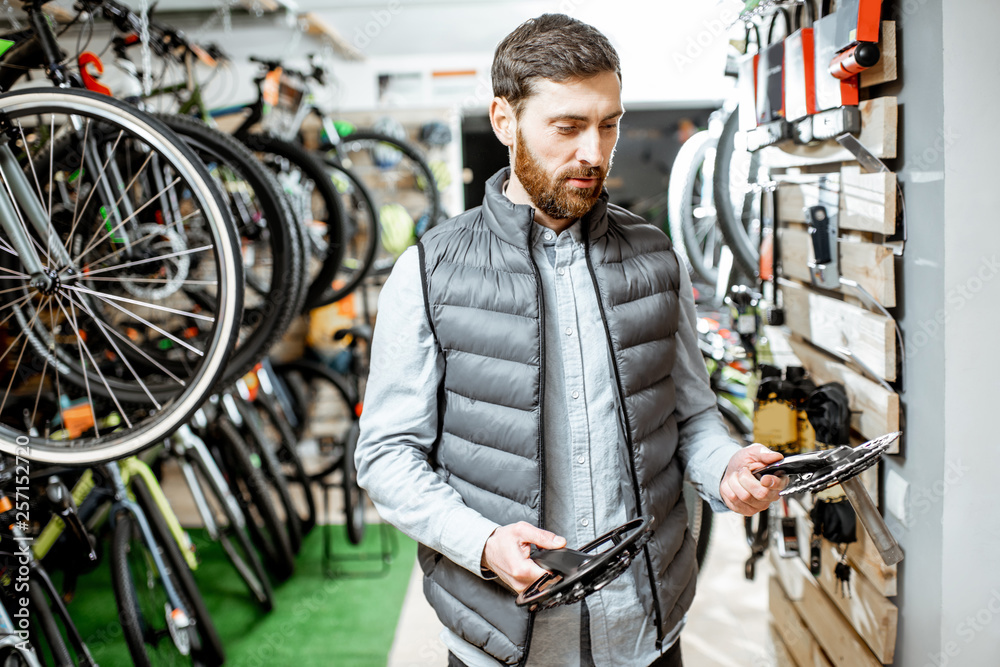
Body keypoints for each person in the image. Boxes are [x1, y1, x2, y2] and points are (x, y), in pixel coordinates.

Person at [356, 13, 784, 667]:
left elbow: (692, 416)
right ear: (504, 120)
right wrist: (483, 541)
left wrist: (724, 468)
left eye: (608, 123)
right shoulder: (429, 270)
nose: (594, 150)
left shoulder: (653, 256)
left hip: (646, 633)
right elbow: (387, 456)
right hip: (501, 641)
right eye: (568, 126)